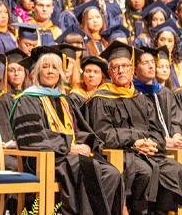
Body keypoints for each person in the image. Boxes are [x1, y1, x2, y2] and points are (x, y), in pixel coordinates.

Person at [10, 46, 125, 215]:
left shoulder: (64, 99)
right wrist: (68, 147)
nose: (50, 71)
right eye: (45, 66)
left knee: (112, 173)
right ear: (37, 72)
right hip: (46, 158)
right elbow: (31, 137)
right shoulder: (27, 99)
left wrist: (86, 145)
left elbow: (80, 131)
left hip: (70, 156)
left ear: (60, 73)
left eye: (55, 67)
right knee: (87, 168)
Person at [85, 41, 182, 215]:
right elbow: (103, 134)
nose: (121, 71)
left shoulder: (140, 98)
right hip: (121, 154)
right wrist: (135, 142)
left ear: (131, 69)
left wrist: (152, 144)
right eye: (116, 68)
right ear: (110, 73)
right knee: (144, 172)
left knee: (176, 170)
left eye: (125, 66)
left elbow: (157, 131)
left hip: (147, 153)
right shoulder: (101, 98)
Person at [131, 46, 182, 151]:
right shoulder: (131, 94)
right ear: (135, 69)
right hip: (147, 148)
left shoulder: (164, 92)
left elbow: (175, 120)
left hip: (171, 145)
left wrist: (177, 137)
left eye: (153, 62)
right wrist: (166, 141)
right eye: (145, 63)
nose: (151, 66)